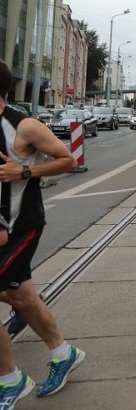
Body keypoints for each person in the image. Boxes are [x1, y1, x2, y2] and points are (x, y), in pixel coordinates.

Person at [0, 60, 85, 405]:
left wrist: (22, 173)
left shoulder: (24, 127)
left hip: (21, 226)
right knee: (19, 297)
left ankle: (10, 380)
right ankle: (63, 354)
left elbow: (68, 160)